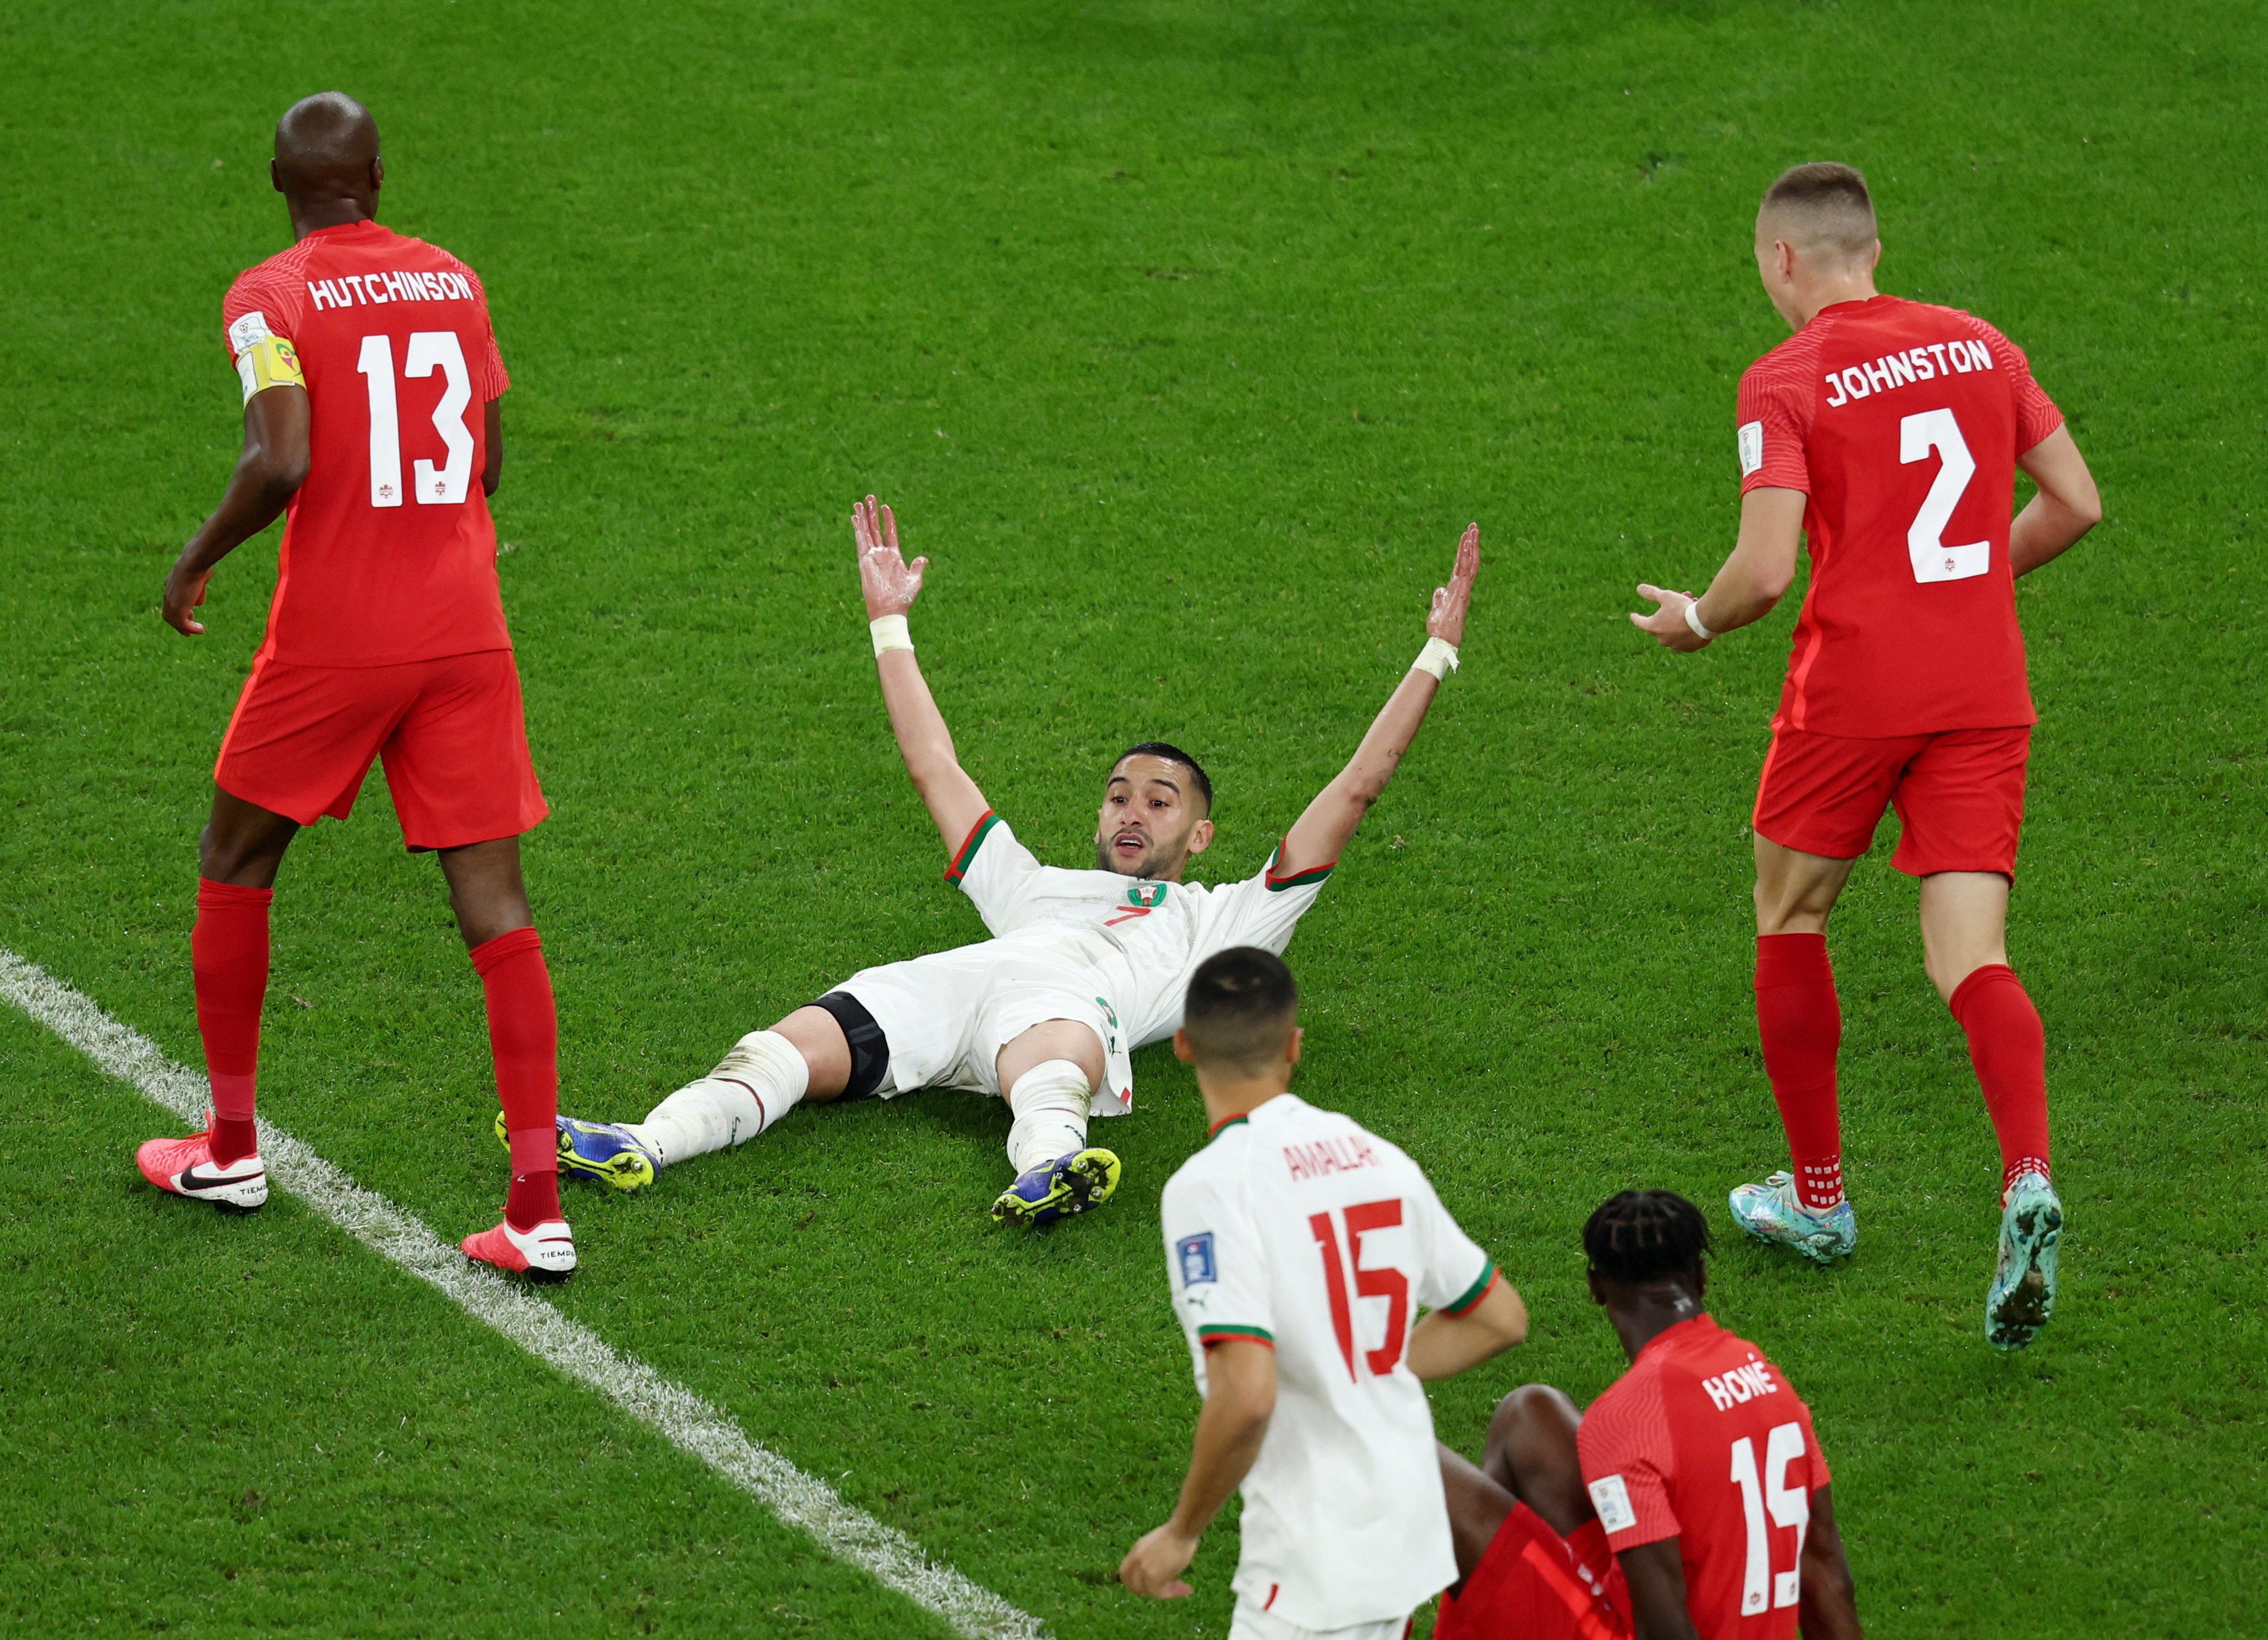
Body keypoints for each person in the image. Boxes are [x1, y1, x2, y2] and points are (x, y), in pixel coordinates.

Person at [544, 501, 1482, 1228]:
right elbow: (933, 766)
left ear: (1200, 836)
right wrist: (888, 626)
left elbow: (1357, 790)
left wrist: (1435, 652)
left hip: (1056, 1024)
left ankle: (1046, 1166)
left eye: (1161, 802)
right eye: (1119, 794)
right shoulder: (1028, 886)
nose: (1131, 811)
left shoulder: (1230, 917)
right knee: (790, 1044)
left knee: (1060, 1033)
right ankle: (643, 1143)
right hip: (944, 993)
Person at [1628, 162, 2103, 1350]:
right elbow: (2077, 504)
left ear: (1783, 259)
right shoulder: (1981, 346)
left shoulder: (1782, 378)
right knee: (1971, 956)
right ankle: (2028, 1175)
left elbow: (1765, 572)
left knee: (1791, 916)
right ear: (1872, 248)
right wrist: (1969, 584)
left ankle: (1822, 1205)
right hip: (1984, 690)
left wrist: (1689, 620)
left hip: (1851, 694)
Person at [134, 92, 573, 1277]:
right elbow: (483, 457)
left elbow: (282, 455)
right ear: (378, 173)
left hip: (337, 641)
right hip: (466, 634)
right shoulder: (455, 280)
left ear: (278, 180)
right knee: (499, 910)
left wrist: (193, 559)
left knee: (236, 865)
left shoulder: (267, 296)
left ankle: (229, 1144)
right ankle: (537, 1209)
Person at [1122, 949, 1530, 1639]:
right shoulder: (1375, 1154)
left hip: (1314, 1559)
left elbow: (1248, 1393)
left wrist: (1181, 1531)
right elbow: (1498, 1316)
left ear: (1184, 1043)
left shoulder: (1211, 1186)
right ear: (1294, 1044)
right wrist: (1370, 1363)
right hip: (1402, 1524)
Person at [1432, 1192, 1864, 1640]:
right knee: (1529, 1415)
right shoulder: (1768, 1383)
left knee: (1421, 1462)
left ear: (1595, 1286)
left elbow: (1664, 1627)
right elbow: (1827, 1575)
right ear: (1701, 1276)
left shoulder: (1629, 1416)